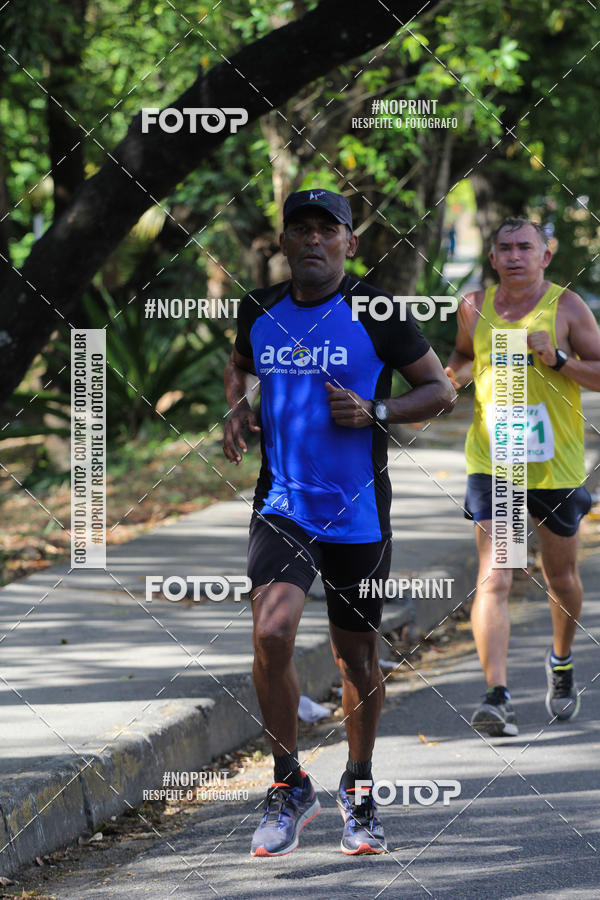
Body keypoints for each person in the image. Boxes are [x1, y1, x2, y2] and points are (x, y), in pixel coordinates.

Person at [223, 188, 455, 856]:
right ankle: (290, 785)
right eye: (302, 229)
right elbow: (240, 364)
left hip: (356, 512)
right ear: (286, 242)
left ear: (350, 243)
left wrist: (379, 412)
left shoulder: (376, 308)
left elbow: (440, 389)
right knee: (271, 631)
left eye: (329, 230)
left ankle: (358, 786)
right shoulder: (260, 307)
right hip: (283, 504)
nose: (315, 240)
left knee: (356, 654)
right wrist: (237, 409)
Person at [445, 217, 600, 737]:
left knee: (561, 579)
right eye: (505, 248)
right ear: (492, 258)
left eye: (524, 247)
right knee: (497, 577)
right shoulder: (474, 306)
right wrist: (451, 378)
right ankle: (498, 696)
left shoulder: (568, 307)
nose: (514, 256)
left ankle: (560, 660)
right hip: (497, 465)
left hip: (555, 466)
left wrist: (556, 359)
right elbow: (464, 356)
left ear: (544, 256)